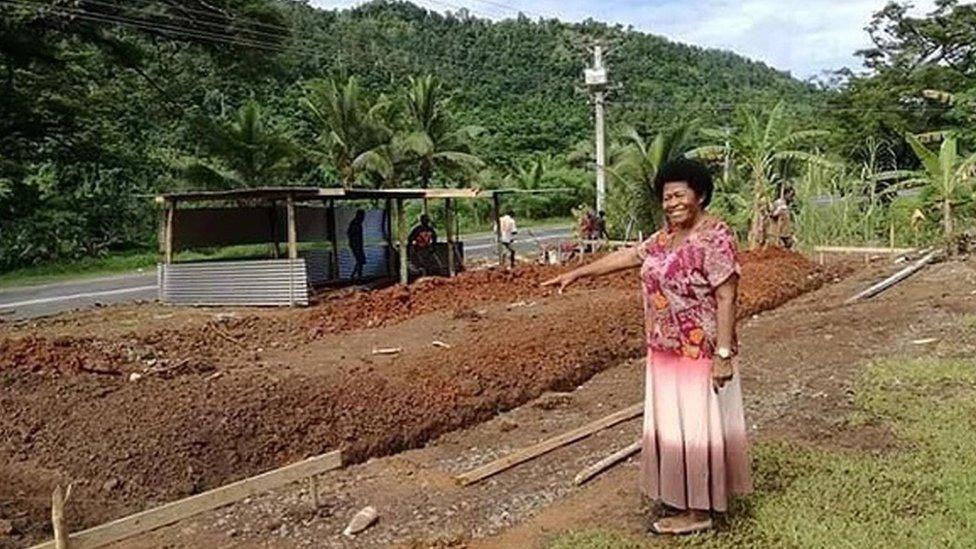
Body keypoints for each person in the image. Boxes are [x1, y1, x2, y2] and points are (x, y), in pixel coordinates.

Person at [543, 158, 752, 535]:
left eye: (679, 195)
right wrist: (576, 273)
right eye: (666, 197)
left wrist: (723, 355)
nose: (671, 202)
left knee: (697, 427)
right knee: (675, 425)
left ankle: (698, 511)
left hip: (699, 352)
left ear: (700, 195)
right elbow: (628, 256)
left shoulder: (714, 236)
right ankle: (684, 497)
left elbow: (726, 298)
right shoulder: (662, 239)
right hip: (664, 350)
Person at [347, 209, 366, 281]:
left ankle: (356, 275)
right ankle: (357, 276)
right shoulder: (355, 223)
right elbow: (350, 234)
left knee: (360, 261)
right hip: (356, 245)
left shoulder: (357, 223)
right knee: (360, 260)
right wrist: (353, 242)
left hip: (358, 244)